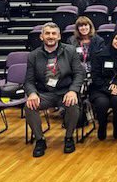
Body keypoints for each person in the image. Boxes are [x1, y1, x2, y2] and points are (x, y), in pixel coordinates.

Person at [24, 22, 85, 157]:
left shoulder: (70, 51)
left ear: (59, 36)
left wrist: (73, 90)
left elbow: (79, 74)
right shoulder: (33, 55)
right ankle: (40, 140)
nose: (50, 36)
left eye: (53, 34)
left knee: (73, 104)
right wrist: (32, 93)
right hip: (44, 93)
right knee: (29, 106)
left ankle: (69, 137)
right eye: (47, 33)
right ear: (41, 37)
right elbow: (28, 81)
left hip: (64, 92)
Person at [89, 30, 117, 140]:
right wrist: (108, 87)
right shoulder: (100, 54)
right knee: (102, 103)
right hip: (100, 88)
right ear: (112, 39)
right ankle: (102, 126)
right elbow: (95, 76)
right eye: (116, 39)